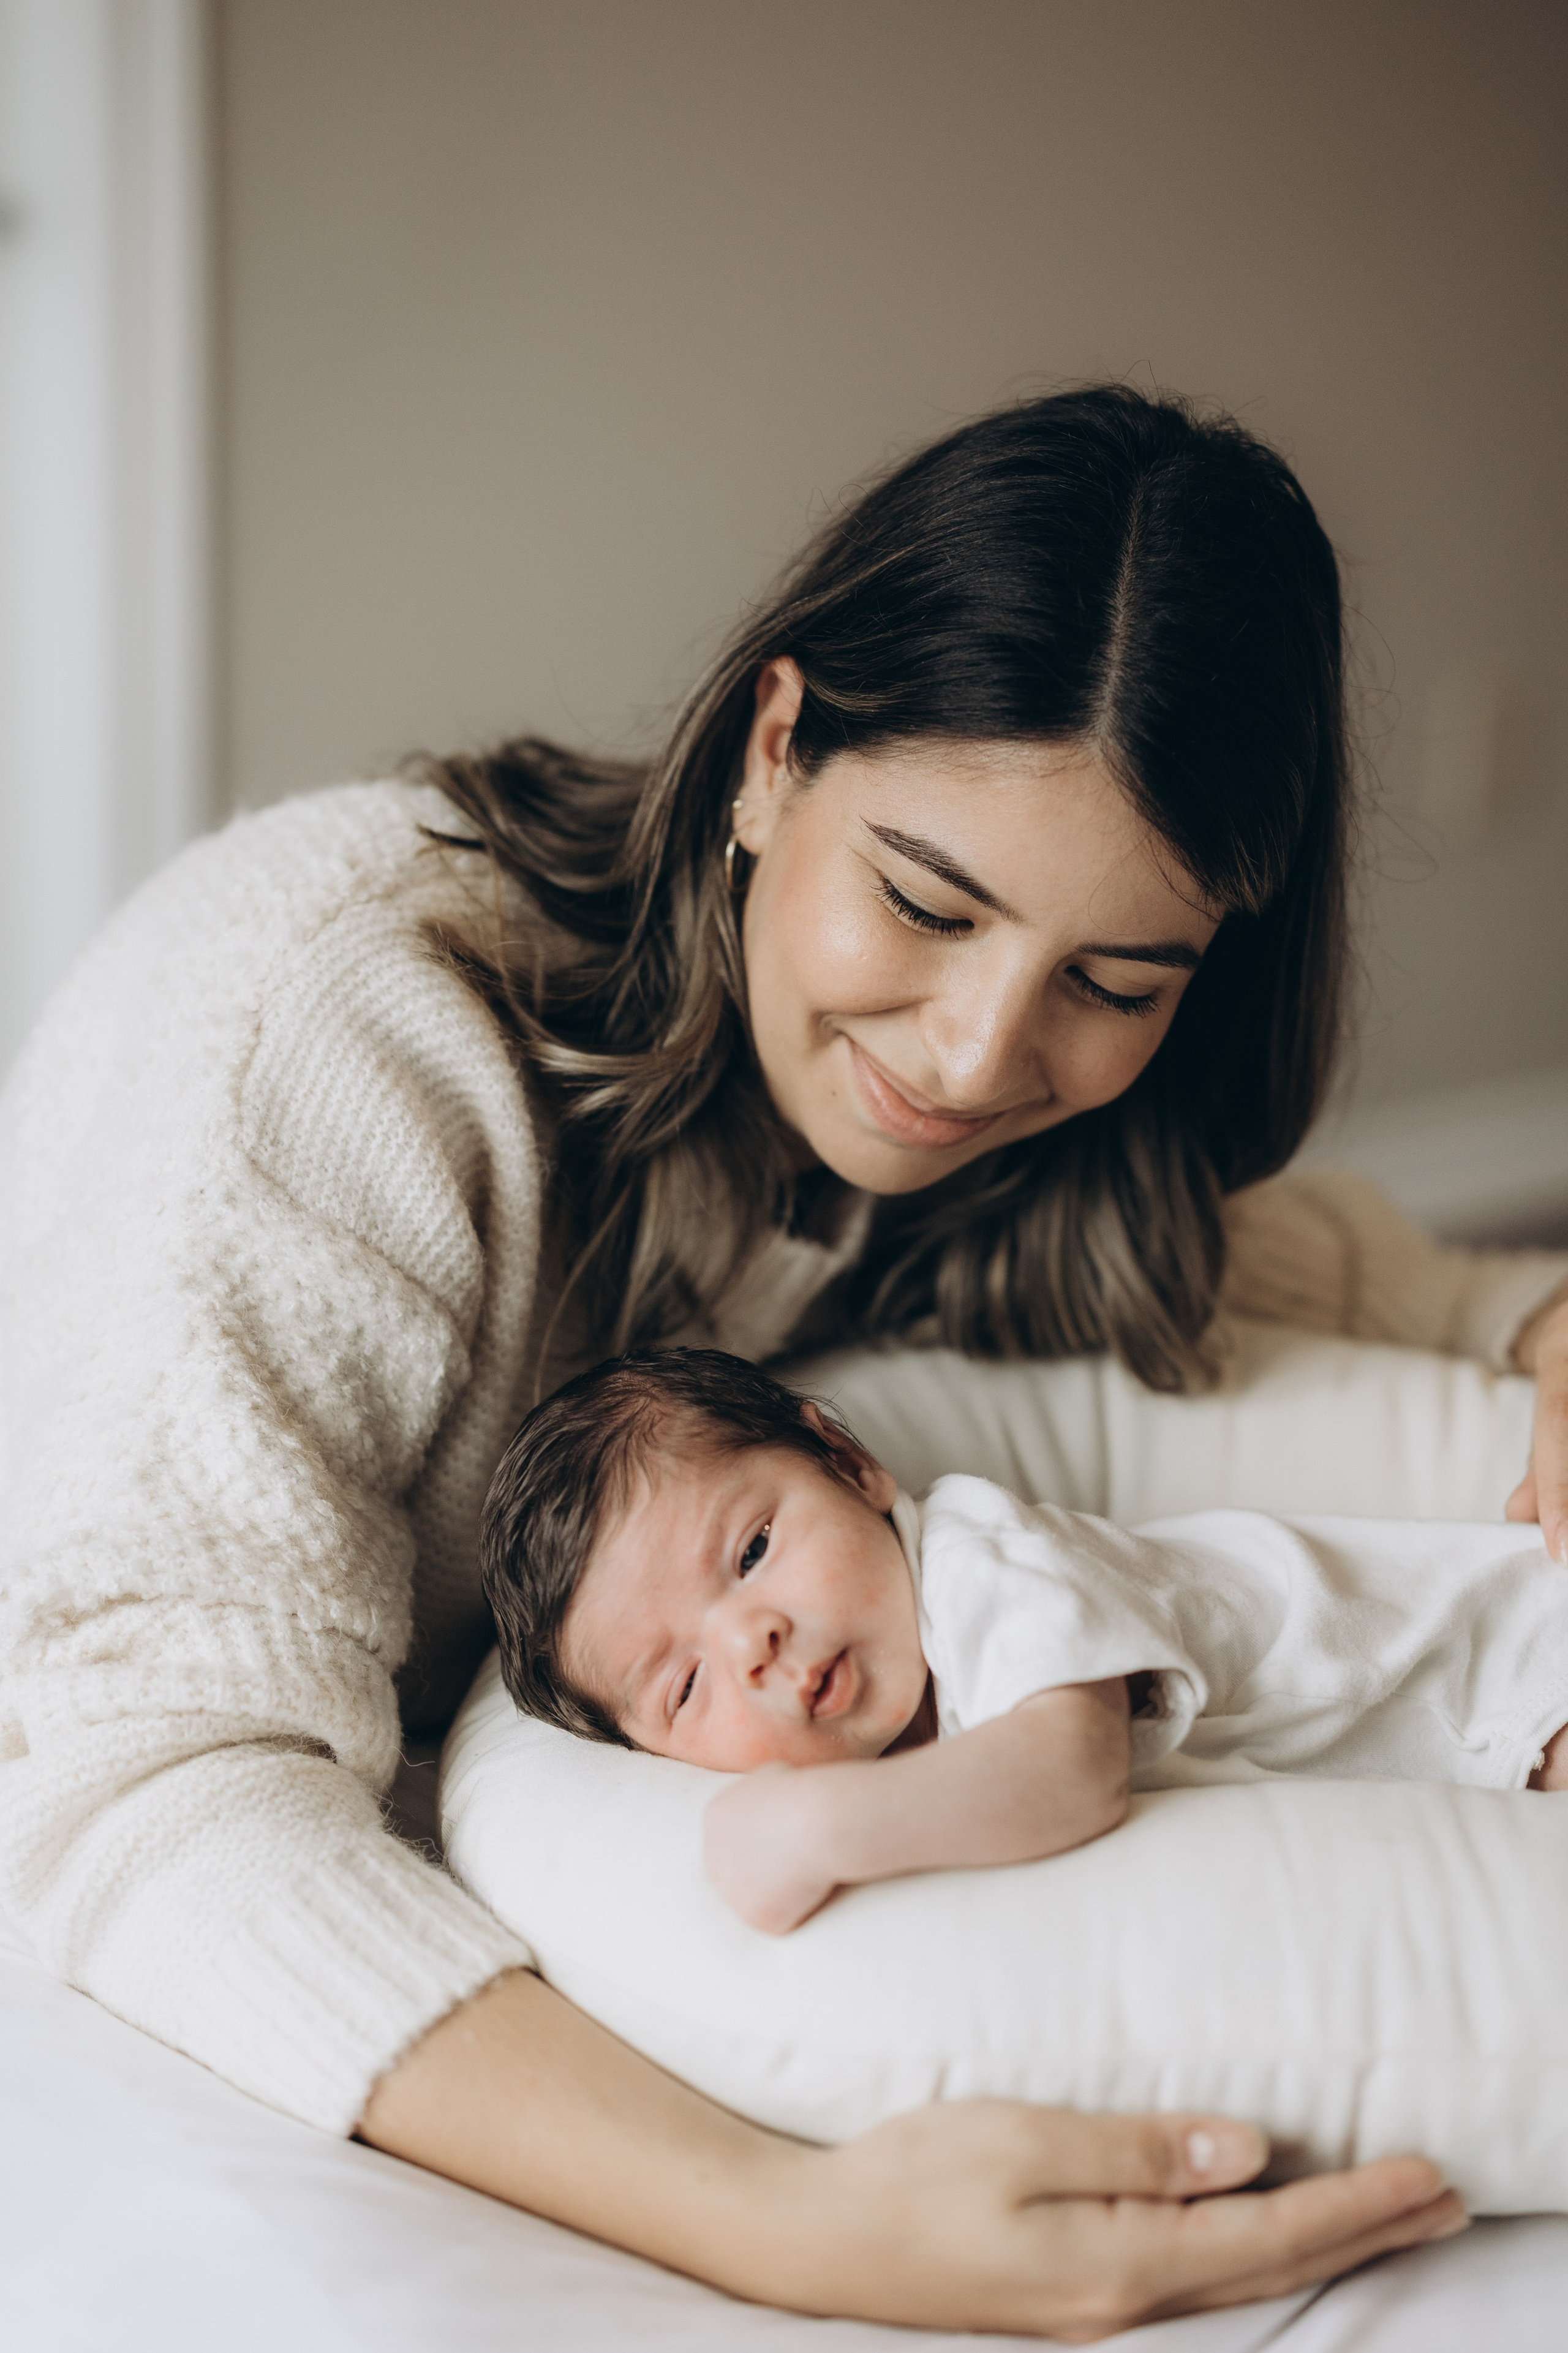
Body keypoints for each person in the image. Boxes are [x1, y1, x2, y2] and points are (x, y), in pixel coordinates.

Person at [17, 380, 1568, 2334]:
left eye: (1117, 981)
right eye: (928, 901)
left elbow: (1300, 1266)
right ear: (770, 753)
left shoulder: (973, 1127)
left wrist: (1546, 1320)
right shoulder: (336, 1043)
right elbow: (138, 1782)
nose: (983, 1055)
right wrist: (776, 2218)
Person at [479, 1346, 1568, 1936]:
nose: (752, 1641)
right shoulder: (906, 1720)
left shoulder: (981, 1562)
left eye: (755, 1546)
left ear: (851, 1466)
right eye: (684, 1684)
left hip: (1513, 1663)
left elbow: (1069, 1767)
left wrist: (813, 1826)